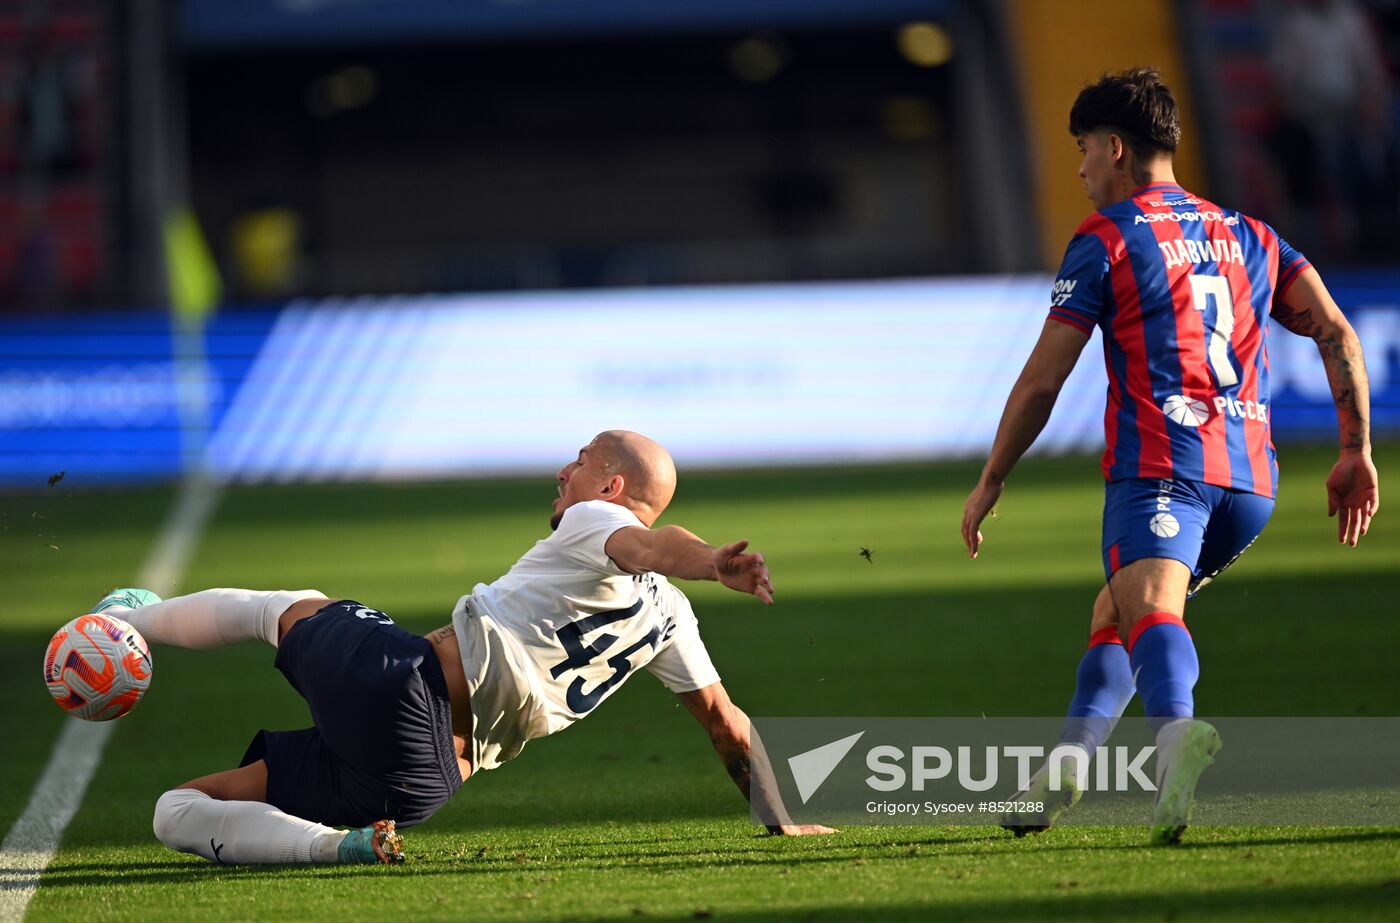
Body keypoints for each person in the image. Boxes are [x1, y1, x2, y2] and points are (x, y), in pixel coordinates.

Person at [959, 69, 1379, 845]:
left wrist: (992, 477)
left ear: (1115, 147)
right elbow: (1337, 333)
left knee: (1150, 603)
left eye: (1084, 151)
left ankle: (1177, 739)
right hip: (1251, 481)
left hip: (1161, 464)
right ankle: (1067, 770)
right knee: (1115, 611)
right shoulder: (1252, 234)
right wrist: (1355, 449)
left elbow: (1042, 379)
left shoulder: (1108, 237)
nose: (1082, 169)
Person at [97, 430, 833, 865]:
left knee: (284, 609)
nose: (563, 472)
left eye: (577, 461)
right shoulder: (672, 619)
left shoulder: (590, 520)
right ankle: (339, 846)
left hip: (395, 687)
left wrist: (709, 561)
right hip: (421, 783)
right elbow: (726, 726)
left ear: (610, 485)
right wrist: (778, 814)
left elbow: (653, 541)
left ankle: (134, 620)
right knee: (179, 808)